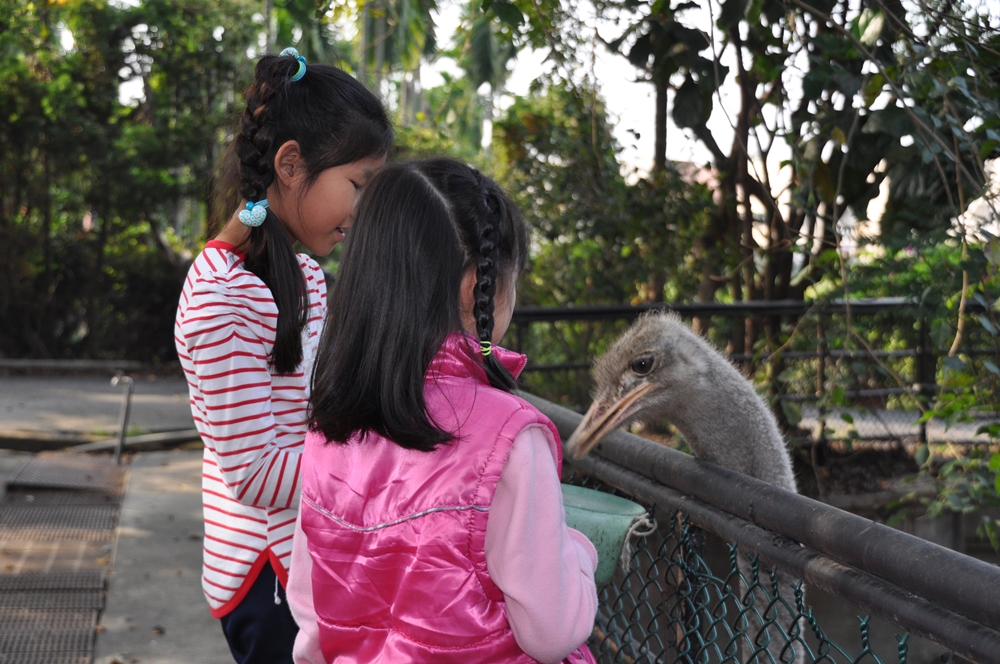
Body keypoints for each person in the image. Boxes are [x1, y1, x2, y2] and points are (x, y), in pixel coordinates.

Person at [287, 158, 599, 663]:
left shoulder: (327, 431)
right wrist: (579, 554)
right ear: (477, 284)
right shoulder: (512, 438)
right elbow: (552, 629)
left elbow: (310, 611)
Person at [174, 48, 393, 664]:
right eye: (358, 184)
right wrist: (379, 466)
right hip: (266, 576)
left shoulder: (299, 273)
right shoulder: (224, 297)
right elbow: (253, 472)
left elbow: (316, 408)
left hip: (305, 559)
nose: (362, 210)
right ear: (290, 164)